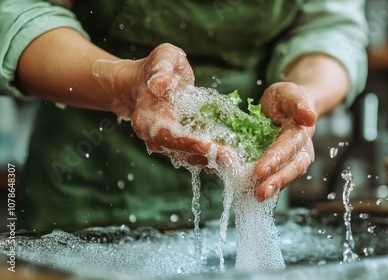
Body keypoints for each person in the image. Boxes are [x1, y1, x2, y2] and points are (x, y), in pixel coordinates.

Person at [0, 0, 368, 231]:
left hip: (249, 177)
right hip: (86, 179)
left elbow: (329, 28)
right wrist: (127, 86)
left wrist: (306, 98)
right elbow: (16, 12)